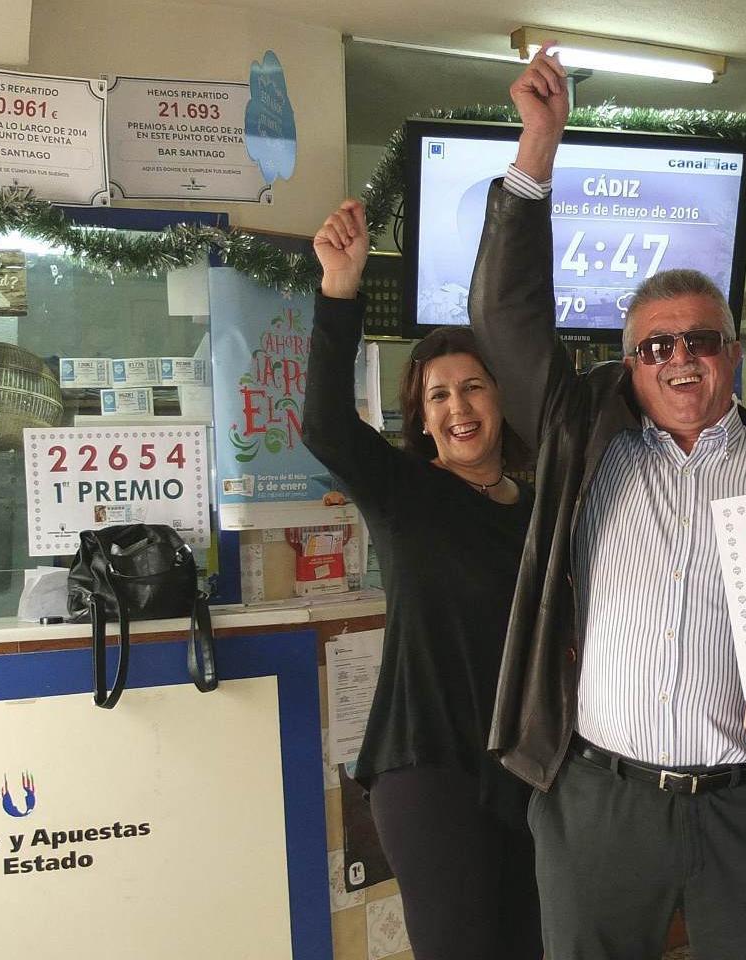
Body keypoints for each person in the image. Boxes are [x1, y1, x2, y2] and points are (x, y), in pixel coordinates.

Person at [468, 49, 746, 960]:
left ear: (734, 354)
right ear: (626, 361)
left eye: (702, 340)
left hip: (743, 806)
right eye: (653, 347)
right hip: (596, 798)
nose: (679, 358)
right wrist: (537, 148)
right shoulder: (581, 438)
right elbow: (502, 316)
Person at [303, 199, 540, 959]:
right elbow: (326, 427)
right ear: (422, 416)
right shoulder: (407, 492)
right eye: (438, 395)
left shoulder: (542, 508)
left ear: (501, 399)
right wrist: (338, 291)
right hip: (427, 767)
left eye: (473, 387)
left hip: (532, 770)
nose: (457, 407)